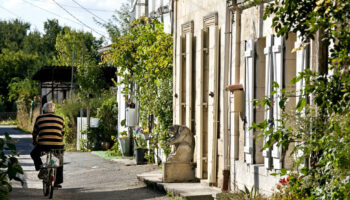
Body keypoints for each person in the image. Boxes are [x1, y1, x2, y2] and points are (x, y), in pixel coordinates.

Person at [30, 102, 65, 188]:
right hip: (58, 145)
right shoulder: (60, 119)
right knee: (59, 160)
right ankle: (57, 182)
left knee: (33, 154)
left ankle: (42, 168)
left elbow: (35, 133)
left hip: (43, 145)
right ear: (54, 110)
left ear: (44, 110)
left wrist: (35, 141)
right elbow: (62, 133)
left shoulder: (39, 118)